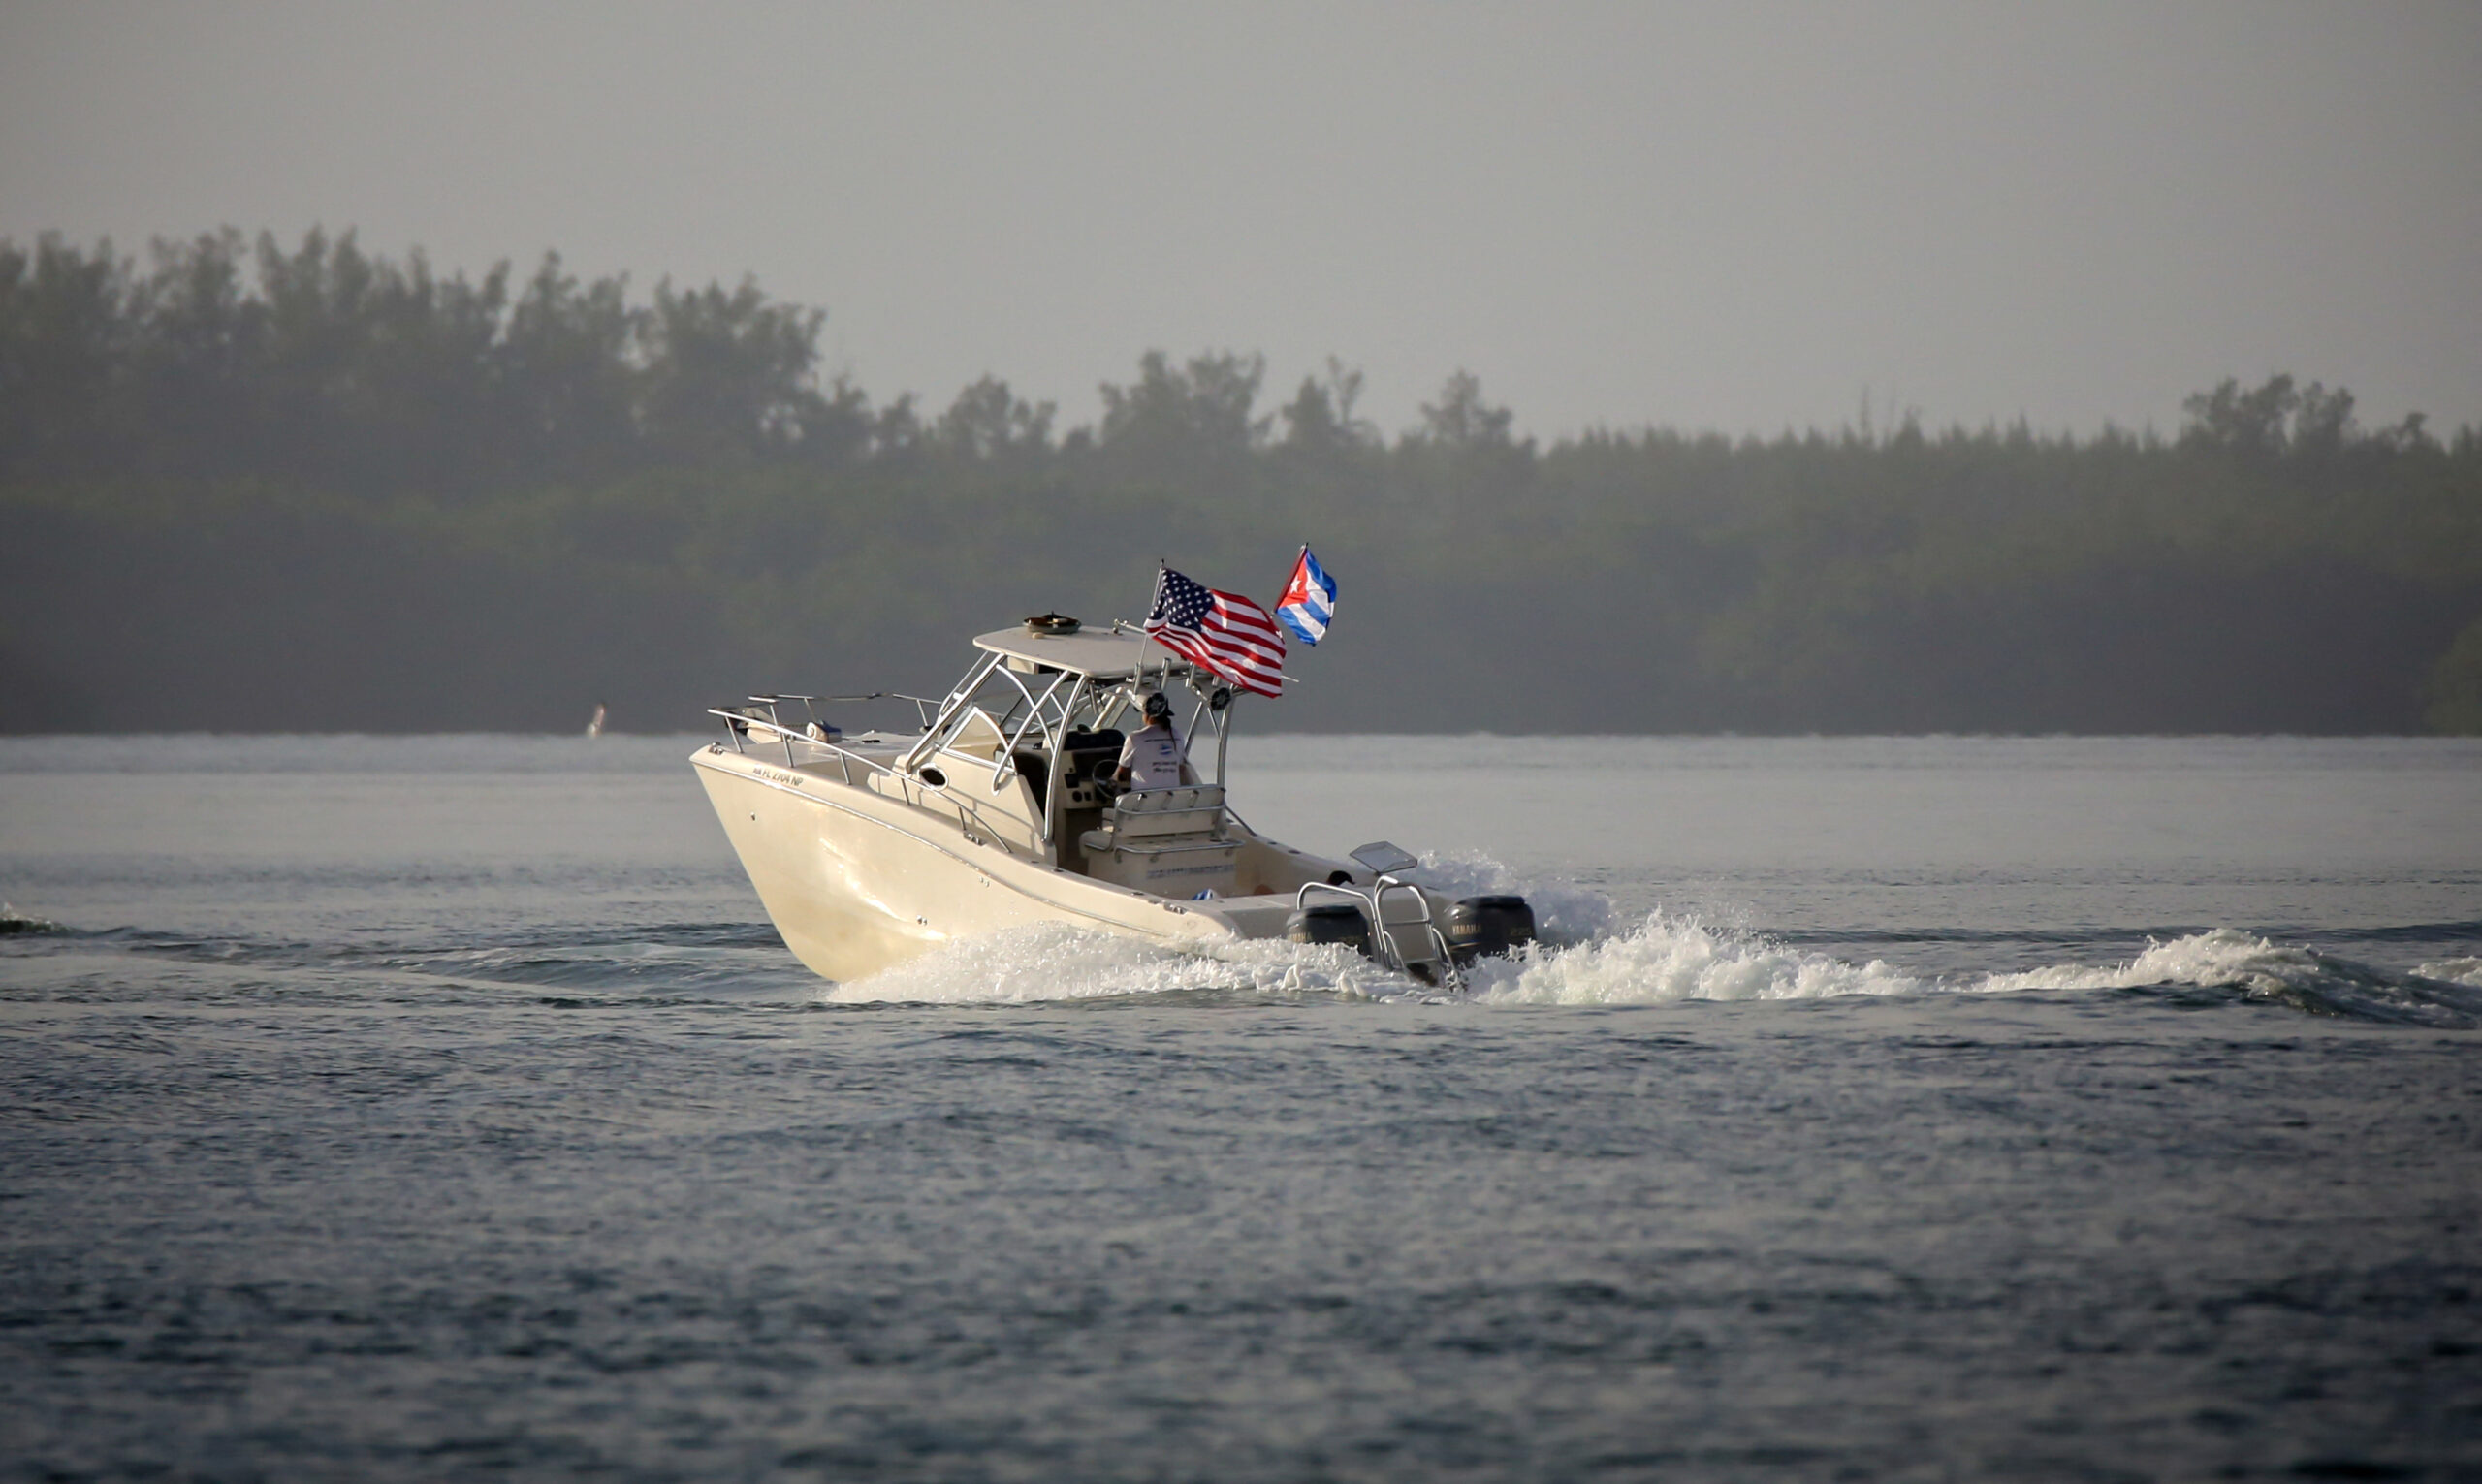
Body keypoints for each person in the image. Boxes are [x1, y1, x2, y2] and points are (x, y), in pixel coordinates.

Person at [1114, 691, 1198, 792]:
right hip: (1171, 799)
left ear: (1146, 714)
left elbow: (1121, 775)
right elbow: (1179, 767)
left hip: (1143, 800)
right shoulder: (1178, 736)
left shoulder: (1135, 738)